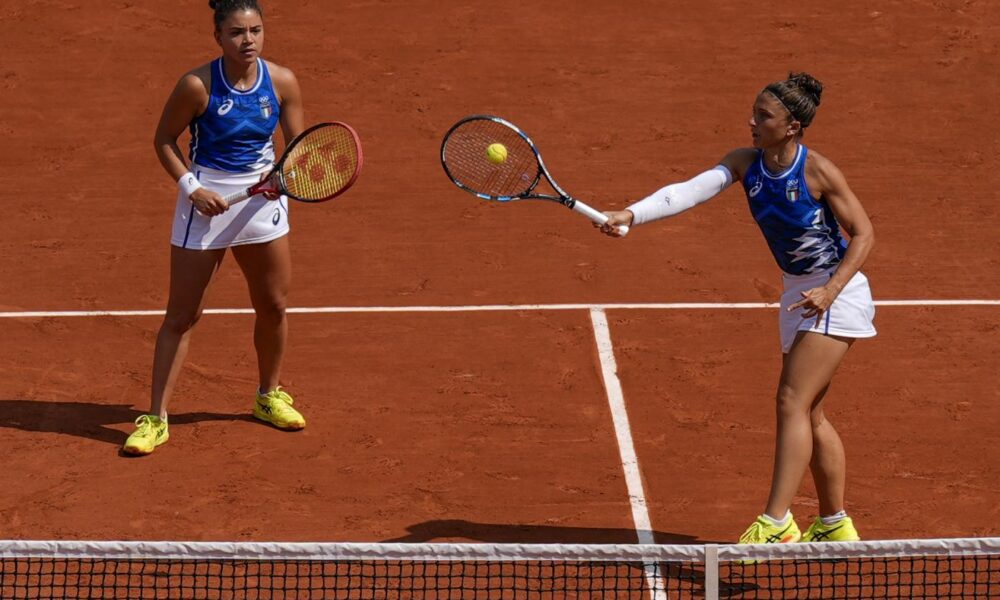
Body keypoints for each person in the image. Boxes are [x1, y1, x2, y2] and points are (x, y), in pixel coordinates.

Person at [598, 73, 876, 544]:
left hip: (835, 293)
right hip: (797, 296)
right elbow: (688, 190)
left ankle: (776, 522)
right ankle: (834, 524)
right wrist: (631, 214)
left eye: (763, 116)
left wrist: (830, 290)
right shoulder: (746, 164)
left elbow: (864, 234)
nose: (752, 121)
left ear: (791, 126)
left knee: (790, 399)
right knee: (811, 415)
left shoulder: (818, 172)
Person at [124, 0, 307, 455]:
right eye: (237, 32)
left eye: (256, 30)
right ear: (218, 38)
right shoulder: (197, 85)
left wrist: (281, 178)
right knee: (182, 316)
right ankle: (156, 419)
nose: (248, 40)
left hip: (261, 205)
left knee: (274, 305)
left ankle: (268, 396)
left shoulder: (282, 81)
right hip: (205, 203)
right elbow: (164, 139)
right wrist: (191, 187)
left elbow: (298, 150)